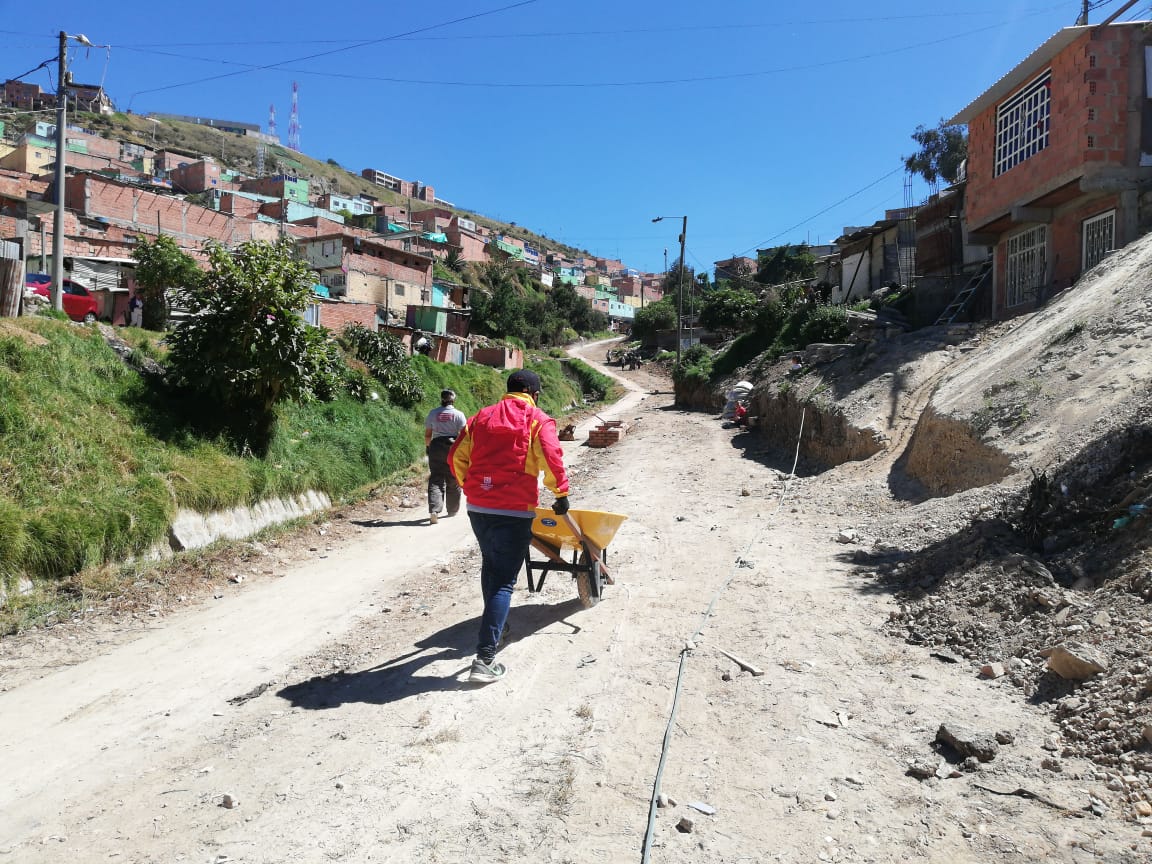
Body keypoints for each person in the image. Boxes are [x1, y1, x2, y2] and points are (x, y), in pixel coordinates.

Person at [448, 370, 570, 684]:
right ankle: (485, 658)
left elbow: (455, 457)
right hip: (514, 510)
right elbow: (552, 457)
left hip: (478, 509)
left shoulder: (480, 418)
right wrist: (561, 494)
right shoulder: (538, 419)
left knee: (491, 566)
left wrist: (471, 487)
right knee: (503, 580)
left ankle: (498, 627)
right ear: (534, 393)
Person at [424, 389, 467, 524]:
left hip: (436, 446)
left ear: (441, 399)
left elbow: (427, 435)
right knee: (453, 478)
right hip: (452, 447)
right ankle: (452, 510)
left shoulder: (433, 413)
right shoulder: (459, 414)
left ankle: (434, 510)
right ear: (453, 400)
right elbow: (464, 435)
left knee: (436, 478)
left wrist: (428, 447)